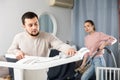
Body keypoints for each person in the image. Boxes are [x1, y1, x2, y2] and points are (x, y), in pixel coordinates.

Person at [7, 11, 76, 80]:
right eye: (30, 25)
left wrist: (69, 48)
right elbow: (10, 50)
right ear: (24, 26)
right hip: (24, 72)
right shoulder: (19, 37)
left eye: (36, 24)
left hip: (41, 72)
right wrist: (17, 52)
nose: (34, 27)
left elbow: (60, 45)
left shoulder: (48, 36)